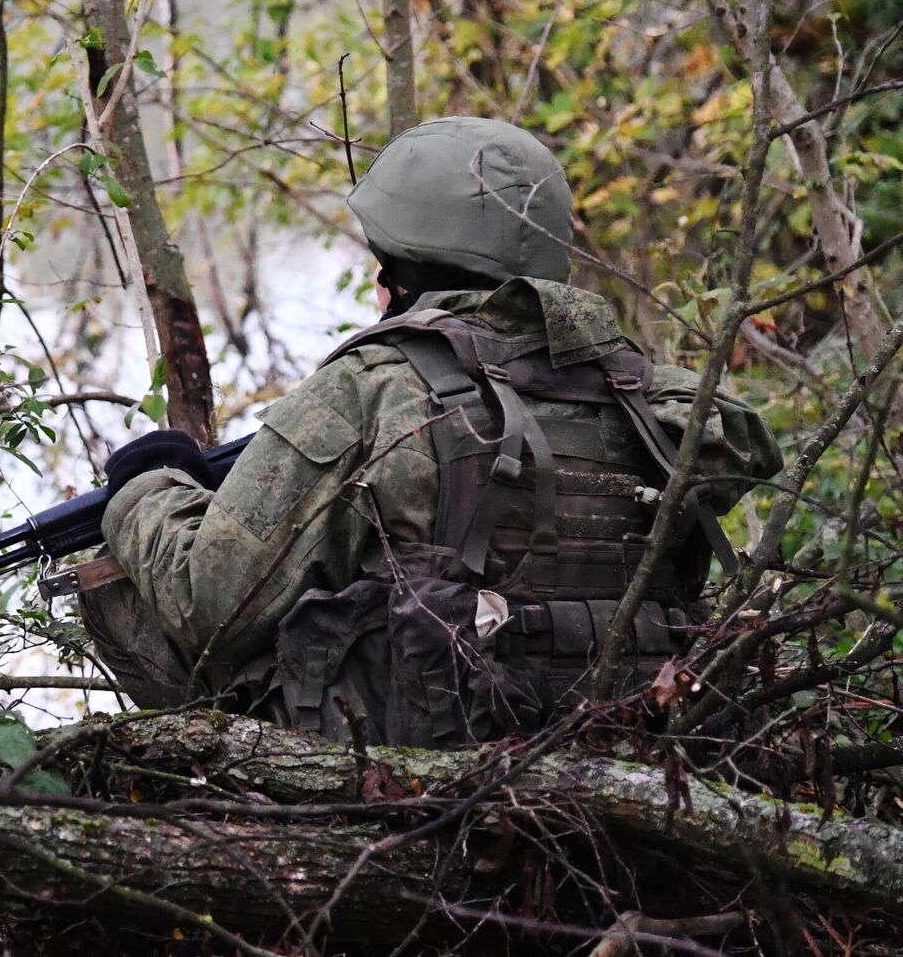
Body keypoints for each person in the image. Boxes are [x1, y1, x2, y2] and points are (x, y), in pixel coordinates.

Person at [81, 116, 782, 747]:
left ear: (396, 272)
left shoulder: (376, 387)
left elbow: (210, 603)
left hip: (414, 780)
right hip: (636, 746)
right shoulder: (641, 392)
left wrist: (145, 490)